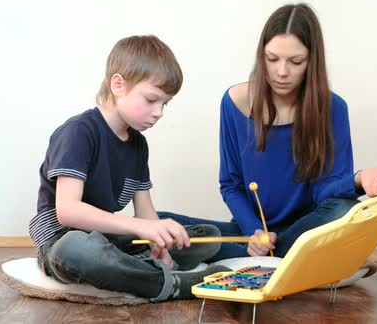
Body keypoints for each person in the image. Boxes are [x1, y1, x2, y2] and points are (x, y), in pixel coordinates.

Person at [158, 3, 377, 263]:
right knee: (156, 223)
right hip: (254, 232)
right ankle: (282, 258)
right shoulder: (234, 102)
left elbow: (327, 195)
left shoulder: (333, 109)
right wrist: (255, 232)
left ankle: (272, 256)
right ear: (261, 55)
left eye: (295, 61)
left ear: (312, 61)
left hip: (307, 230)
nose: (282, 72)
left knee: (346, 209)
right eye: (272, 59)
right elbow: (231, 184)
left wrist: (359, 178)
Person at [28, 35, 228, 302]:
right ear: (118, 85)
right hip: (62, 241)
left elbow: (144, 210)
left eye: (164, 104)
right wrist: (140, 228)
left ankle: (139, 267)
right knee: (77, 250)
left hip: (108, 238)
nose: (159, 112)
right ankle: (170, 284)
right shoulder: (78, 132)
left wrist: (160, 242)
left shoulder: (138, 145)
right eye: (151, 99)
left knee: (209, 237)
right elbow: (68, 212)